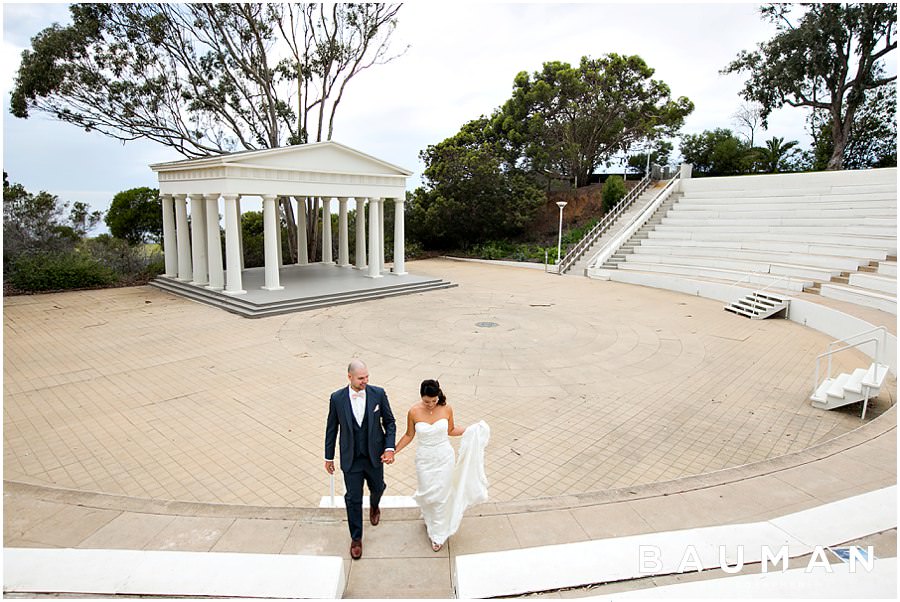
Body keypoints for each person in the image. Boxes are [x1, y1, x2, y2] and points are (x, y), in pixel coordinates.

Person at [392, 379, 490, 551]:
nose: (430, 404)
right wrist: (393, 451)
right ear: (421, 397)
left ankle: (438, 534)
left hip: (444, 457)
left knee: (441, 496)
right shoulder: (414, 412)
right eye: (426, 401)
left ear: (438, 396)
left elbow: (451, 430)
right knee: (428, 492)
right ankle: (430, 518)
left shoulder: (447, 409)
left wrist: (471, 430)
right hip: (424, 459)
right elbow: (409, 435)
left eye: (434, 401)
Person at [324, 359, 396, 560]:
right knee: (353, 498)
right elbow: (332, 429)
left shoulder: (378, 394)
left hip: (375, 456)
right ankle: (356, 538)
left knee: (378, 487)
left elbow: (390, 422)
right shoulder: (337, 398)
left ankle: (374, 505)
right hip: (351, 459)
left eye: (367, 377)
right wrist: (328, 457)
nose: (365, 381)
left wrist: (389, 448)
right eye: (361, 378)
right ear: (350, 377)